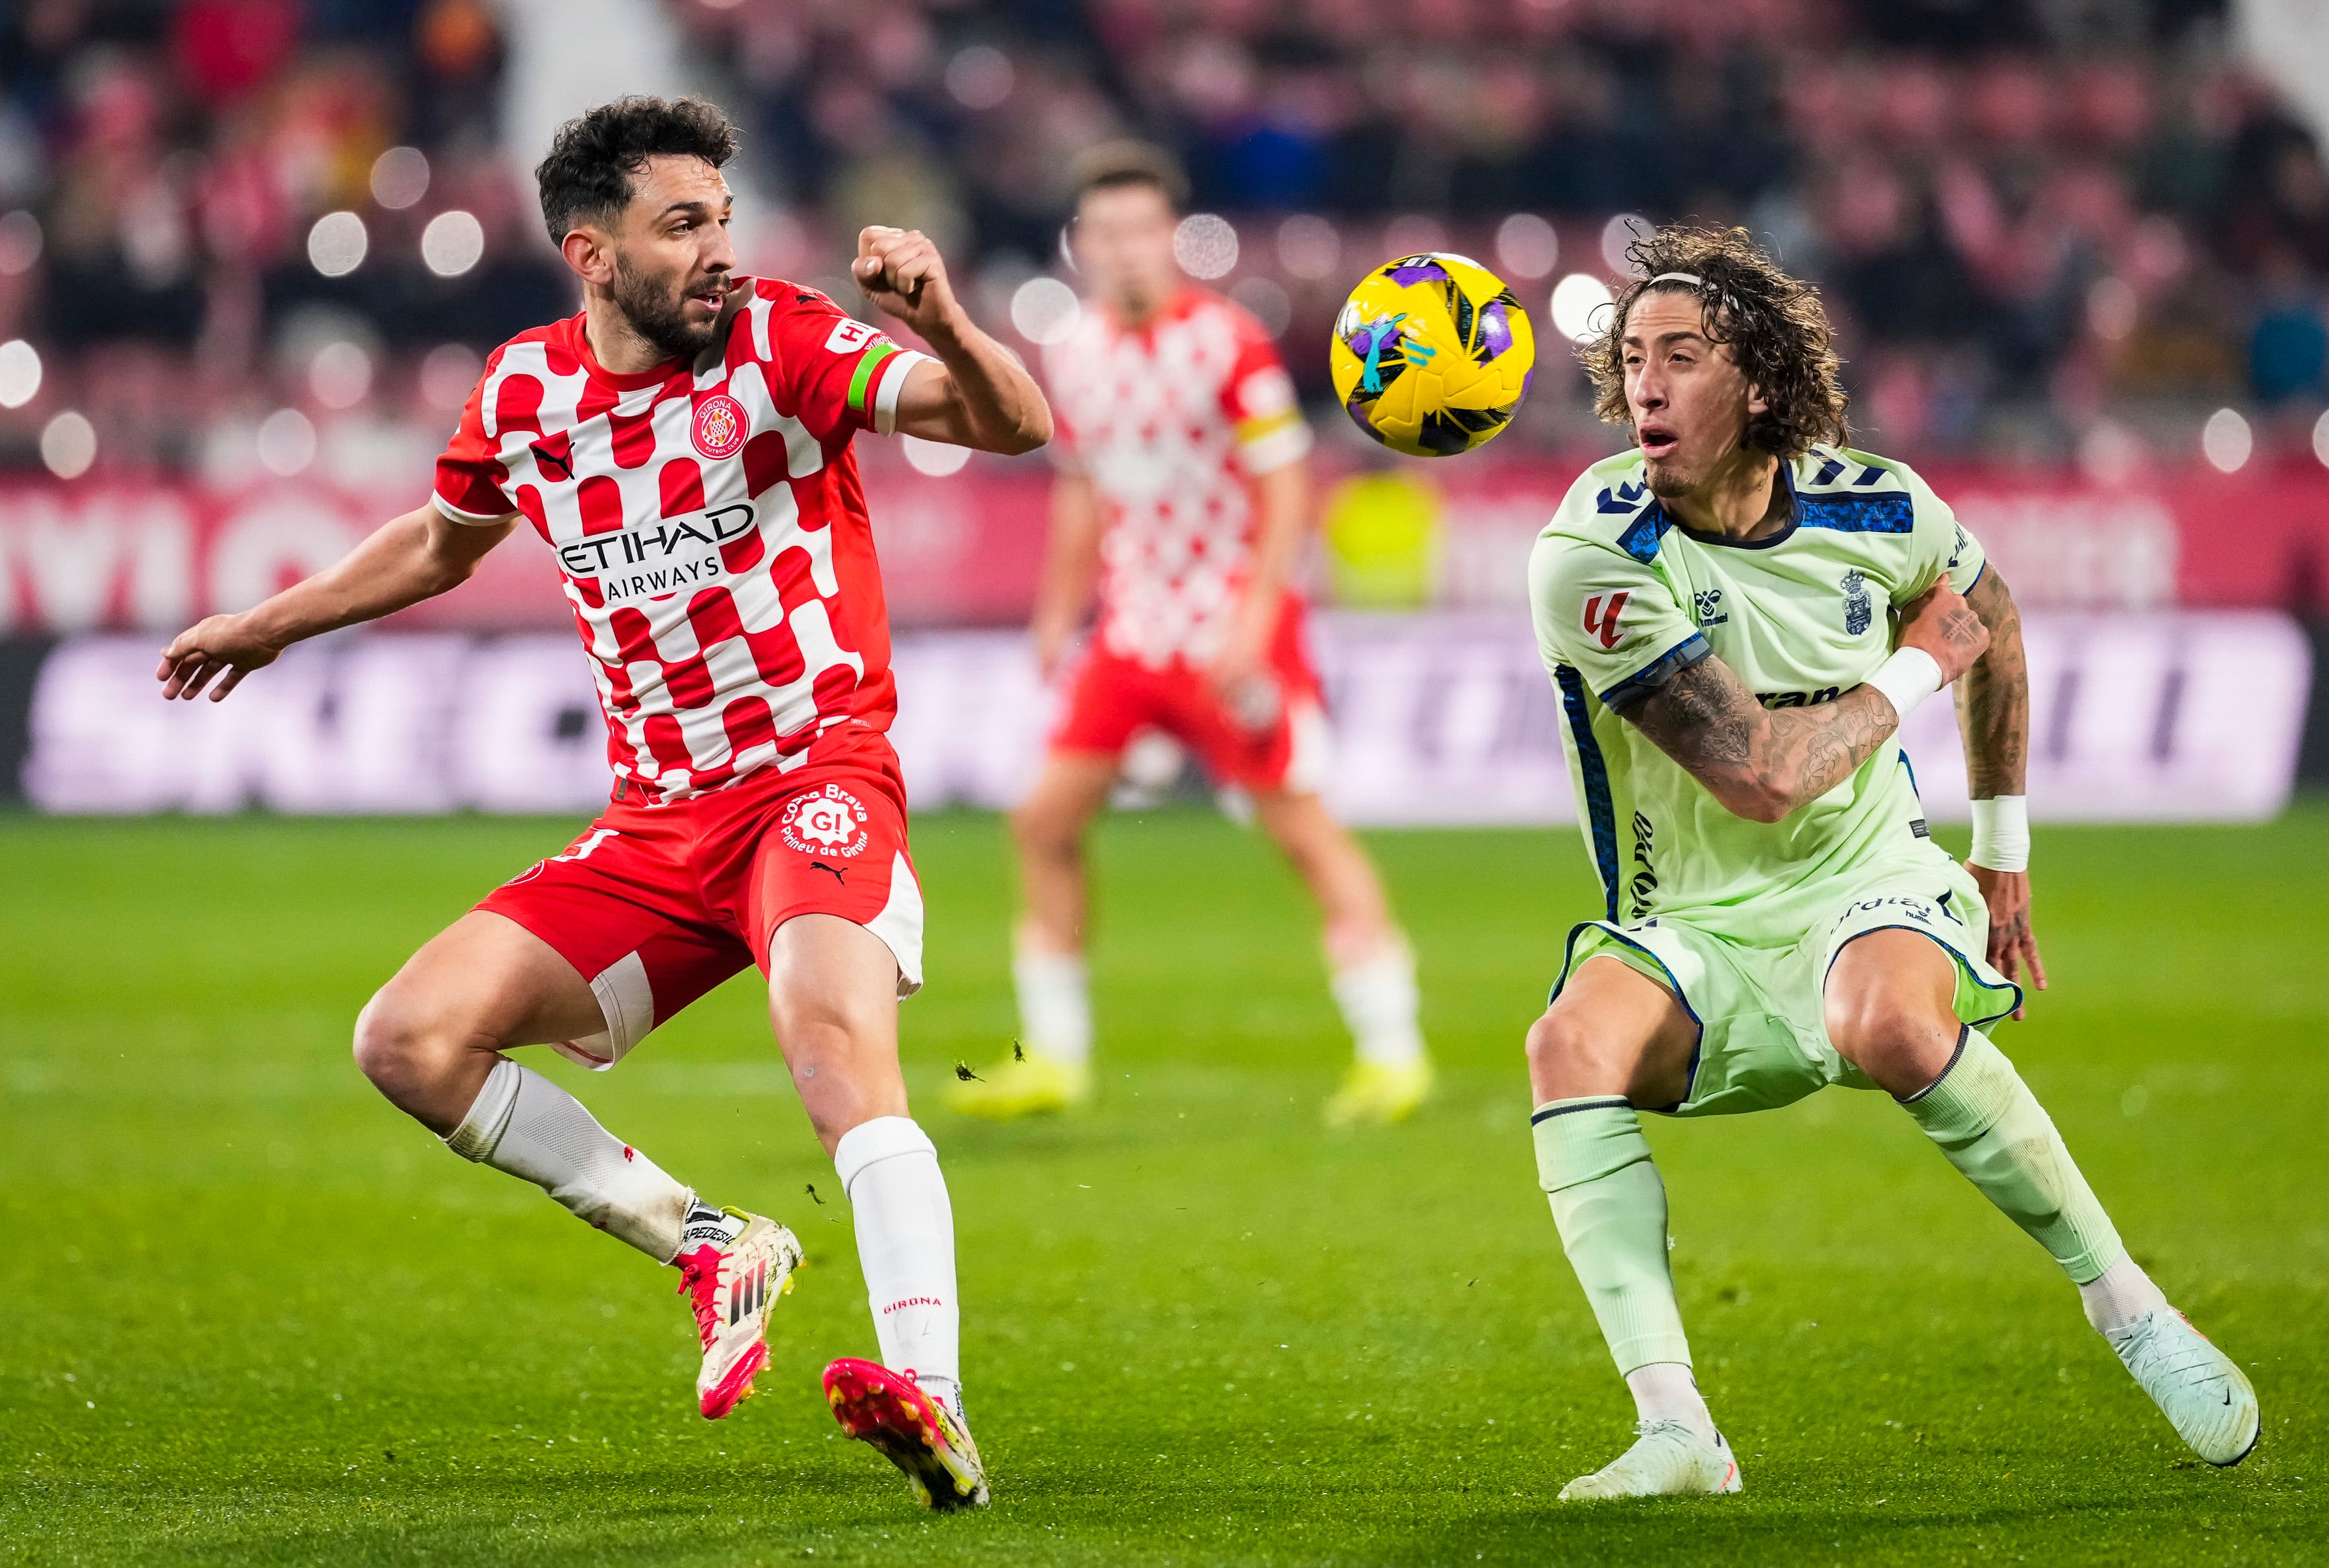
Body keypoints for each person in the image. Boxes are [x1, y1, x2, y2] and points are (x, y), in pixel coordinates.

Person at [154, 96, 1051, 1512]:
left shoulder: (785, 340)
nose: (717, 250)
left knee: (825, 1038)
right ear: (591, 251)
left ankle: (931, 1401)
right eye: (680, 224)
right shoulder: (524, 392)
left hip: (813, 774)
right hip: (652, 829)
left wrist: (941, 314)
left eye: (722, 218)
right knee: (409, 1039)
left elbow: (1008, 422)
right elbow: (441, 542)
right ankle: (709, 1239)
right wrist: (273, 623)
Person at [1522, 226, 2259, 1499]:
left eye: (1680, 356)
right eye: (1631, 359)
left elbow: (1999, 611)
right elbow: (1759, 776)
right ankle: (1679, 1430)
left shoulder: (1881, 503)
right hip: (1692, 914)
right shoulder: (1592, 552)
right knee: (1565, 1047)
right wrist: (1923, 662)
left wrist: (2004, 849)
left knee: (1888, 1025)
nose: (1644, 384)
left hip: (1867, 876)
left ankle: (2132, 1309)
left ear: (1756, 380)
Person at [949, 143, 1432, 1127]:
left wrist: (1256, 619)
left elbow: (1287, 485)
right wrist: (1057, 610)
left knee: (1301, 829)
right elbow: (1084, 487)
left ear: (1172, 237)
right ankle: (1057, 1056)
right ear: (1082, 245)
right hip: (1132, 633)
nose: (1124, 250)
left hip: (1228, 625)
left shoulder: (1228, 343)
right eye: (1105, 233)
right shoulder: (1073, 350)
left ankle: (1394, 1051)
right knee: (1042, 822)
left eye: (1140, 230)